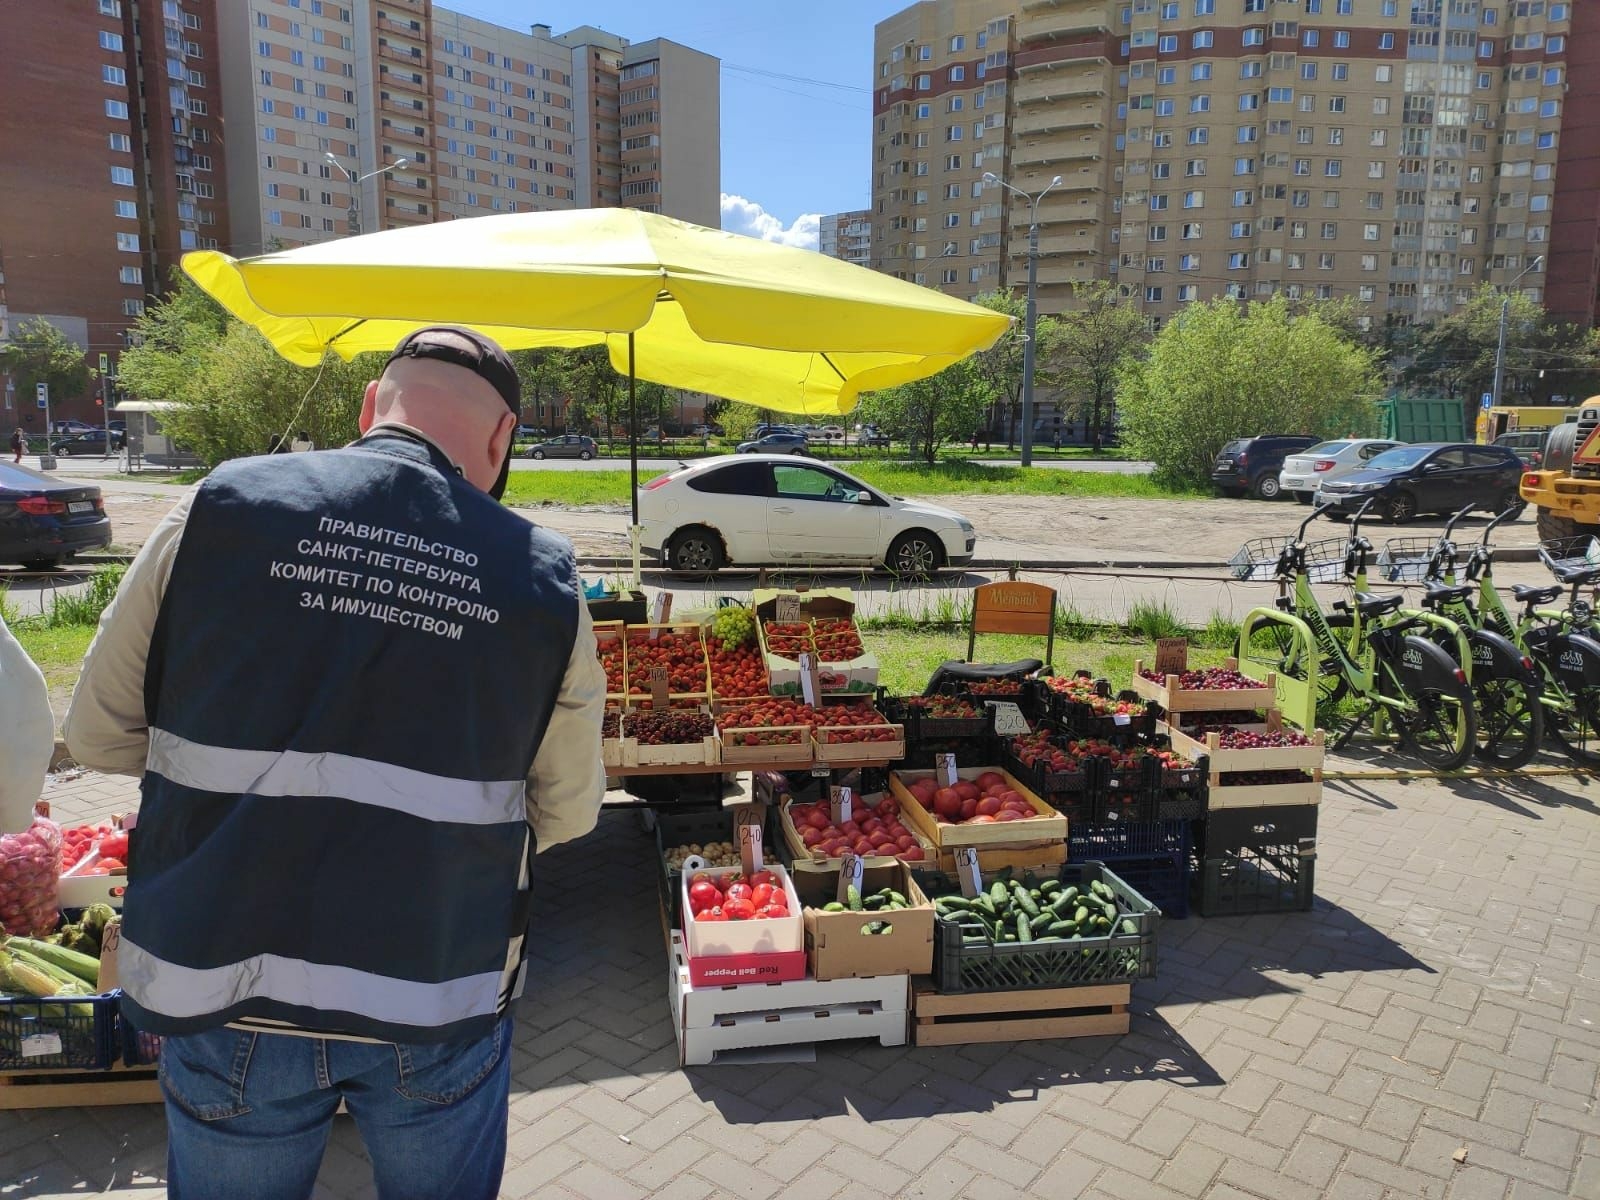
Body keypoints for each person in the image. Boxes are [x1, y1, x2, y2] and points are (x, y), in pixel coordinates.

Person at [65, 326, 607, 1200]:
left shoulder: (216, 508)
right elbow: (571, 811)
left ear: (369, 409)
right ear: (503, 439)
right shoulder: (540, 576)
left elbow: (96, 736)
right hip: (434, 990)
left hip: (219, 977)